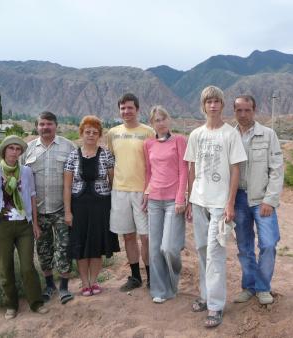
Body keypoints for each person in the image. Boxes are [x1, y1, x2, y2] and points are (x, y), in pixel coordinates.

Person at [184, 86, 247, 328]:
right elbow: (191, 168)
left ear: (222, 105)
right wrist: (190, 199)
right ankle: (205, 295)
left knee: (215, 254)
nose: (212, 105)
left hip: (221, 205)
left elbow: (235, 169)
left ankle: (216, 306)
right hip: (199, 202)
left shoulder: (230, 134)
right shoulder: (196, 134)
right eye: (208, 101)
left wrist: (230, 203)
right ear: (203, 105)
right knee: (201, 250)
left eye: (216, 101)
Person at [0, 135, 49, 320]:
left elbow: (33, 198)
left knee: (27, 267)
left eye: (18, 149)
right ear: (4, 151)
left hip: (24, 226)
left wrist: (35, 223)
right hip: (2, 226)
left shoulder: (27, 172)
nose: (14, 152)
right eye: (11, 148)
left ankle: (36, 302)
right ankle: (11, 305)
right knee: (5, 267)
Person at [232, 95, 284, 305]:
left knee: (269, 244)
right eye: (239, 110)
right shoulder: (229, 135)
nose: (243, 114)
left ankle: (263, 288)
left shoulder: (268, 135)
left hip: (261, 199)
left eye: (247, 110)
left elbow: (277, 170)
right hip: (238, 199)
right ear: (234, 111)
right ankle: (249, 286)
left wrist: (270, 200)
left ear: (254, 110)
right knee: (244, 247)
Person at [63, 115, 120, 296]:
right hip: (78, 206)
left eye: (95, 132)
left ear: (99, 135)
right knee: (80, 246)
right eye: (87, 131)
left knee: (96, 245)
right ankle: (84, 283)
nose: (91, 135)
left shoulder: (106, 155)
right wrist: (67, 212)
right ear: (81, 133)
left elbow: (113, 183)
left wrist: (113, 208)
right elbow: (67, 186)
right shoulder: (73, 155)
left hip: (101, 206)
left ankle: (94, 282)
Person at [23, 111, 76, 304]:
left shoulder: (68, 147)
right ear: (37, 126)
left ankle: (63, 288)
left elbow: (75, 179)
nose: (45, 127)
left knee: (64, 249)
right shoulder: (28, 150)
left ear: (56, 125)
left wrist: (72, 210)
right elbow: (22, 182)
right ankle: (49, 286)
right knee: (43, 249)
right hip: (38, 212)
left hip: (62, 209)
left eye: (49, 124)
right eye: (42, 124)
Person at [106, 93, 155, 291]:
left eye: (130, 108)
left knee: (146, 237)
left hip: (142, 192)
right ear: (119, 110)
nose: (126, 112)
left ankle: (153, 277)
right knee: (128, 236)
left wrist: (149, 189)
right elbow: (111, 162)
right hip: (119, 191)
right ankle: (135, 277)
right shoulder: (113, 133)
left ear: (137, 109)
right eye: (123, 108)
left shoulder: (148, 132)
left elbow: (154, 164)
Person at [143, 106, 188, 304]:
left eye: (163, 118)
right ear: (152, 123)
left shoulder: (179, 141)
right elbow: (148, 172)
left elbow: (183, 171)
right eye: (156, 120)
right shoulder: (148, 144)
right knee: (154, 249)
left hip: (172, 201)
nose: (160, 122)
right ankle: (160, 290)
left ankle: (173, 279)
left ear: (168, 120)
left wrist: (180, 198)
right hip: (154, 200)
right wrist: (146, 192)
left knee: (168, 247)